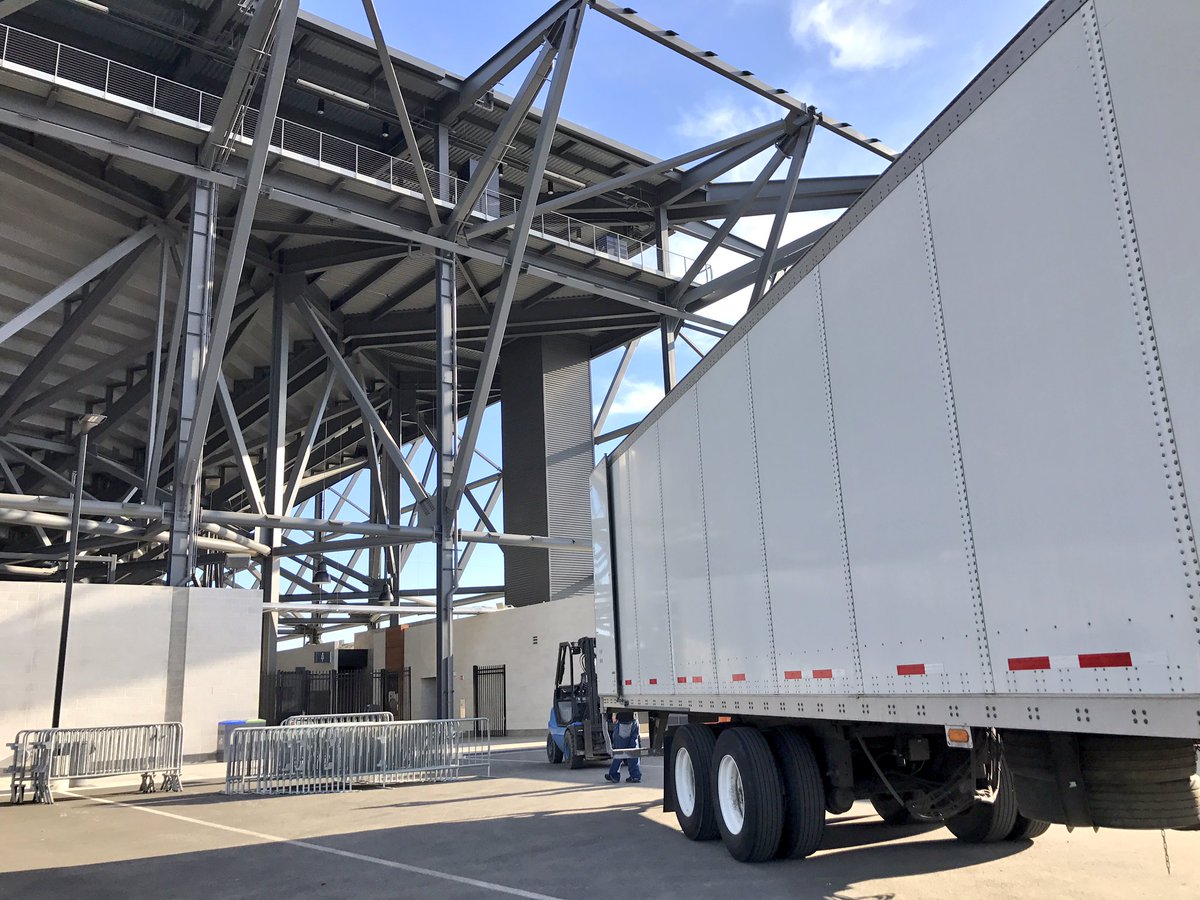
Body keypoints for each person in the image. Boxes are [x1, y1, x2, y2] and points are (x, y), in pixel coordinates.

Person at [604, 710, 642, 783]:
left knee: (619, 750)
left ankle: (614, 774)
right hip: (634, 720)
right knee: (633, 750)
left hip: (624, 722)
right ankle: (635, 775)